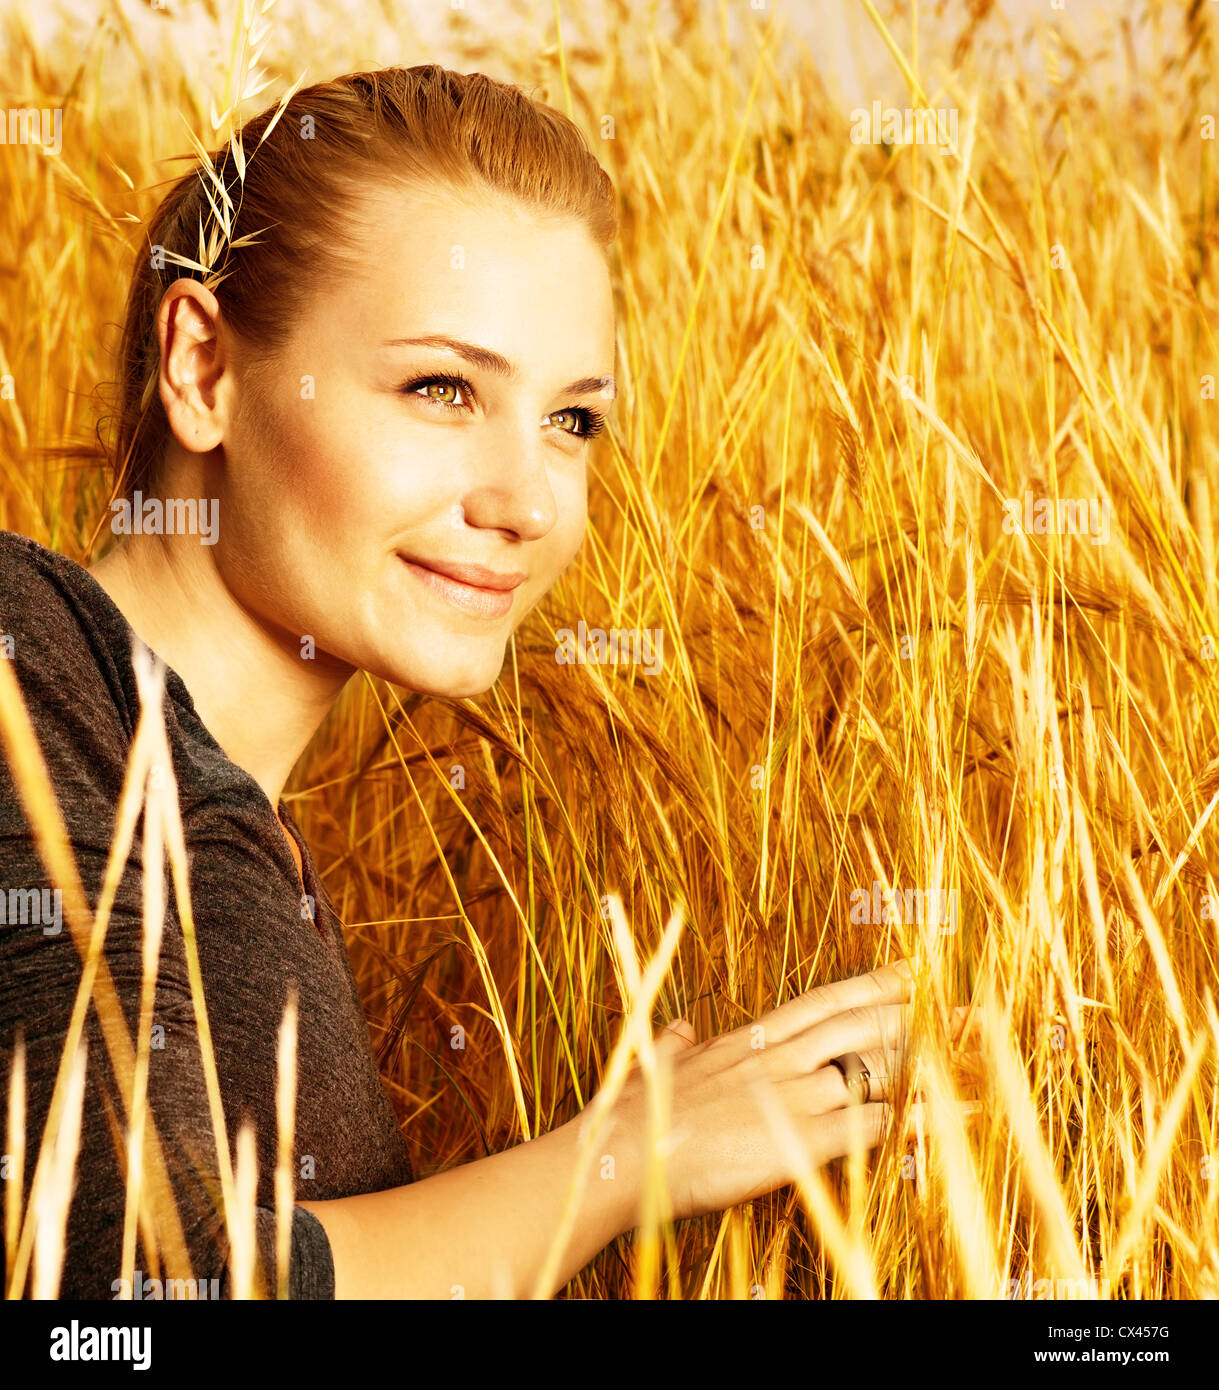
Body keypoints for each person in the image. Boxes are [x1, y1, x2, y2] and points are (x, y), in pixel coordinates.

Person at [0, 64, 934, 1300]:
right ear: (204, 368)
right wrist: (628, 1157)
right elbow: (137, 1290)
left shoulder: (231, 830)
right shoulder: (28, 652)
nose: (529, 500)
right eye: (442, 390)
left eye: (571, 421)